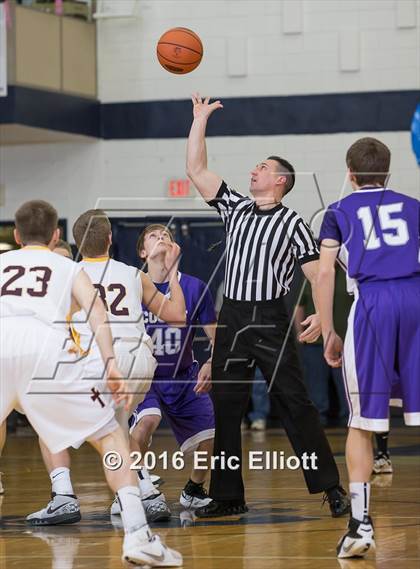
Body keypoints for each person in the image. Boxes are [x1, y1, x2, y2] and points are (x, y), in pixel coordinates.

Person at [186, 93, 350, 518]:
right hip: (234, 317)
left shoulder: (293, 221)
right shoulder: (235, 206)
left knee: (296, 402)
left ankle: (331, 487)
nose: (254, 170)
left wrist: (321, 312)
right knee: (226, 407)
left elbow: (317, 273)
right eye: (255, 166)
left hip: (270, 319)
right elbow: (196, 169)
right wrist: (199, 120)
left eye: (263, 167)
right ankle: (227, 496)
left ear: (280, 181)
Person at [0, 200, 182, 566]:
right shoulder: (67, 267)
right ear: (55, 236)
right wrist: (111, 363)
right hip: (44, 353)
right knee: (110, 434)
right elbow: (97, 313)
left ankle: (63, 494)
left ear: (17, 236)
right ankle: (137, 532)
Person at [317, 137, 420, 558]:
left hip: (374, 304)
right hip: (415, 299)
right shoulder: (414, 206)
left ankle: (360, 525)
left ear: (350, 173)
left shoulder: (338, 213)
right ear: (389, 173)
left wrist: (328, 330)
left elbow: (325, 275)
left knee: (361, 420)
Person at [111, 224, 217, 521]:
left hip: (183, 374)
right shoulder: (130, 285)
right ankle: (130, 489)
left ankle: (194, 490)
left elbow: (215, 336)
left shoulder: (195, 287)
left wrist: (211, 362)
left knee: (208, 440)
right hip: (146, 376)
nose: (162, 238)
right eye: (154, 236)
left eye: (167, 236)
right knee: (145, 424)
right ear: (143, 252)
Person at [295, 270, 351, 426]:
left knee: (346, 385)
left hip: (343, 341)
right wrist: (300, 331)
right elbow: (299, 305)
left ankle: (352, 419)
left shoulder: (348, 273)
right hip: (316, 342)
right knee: (316, 386)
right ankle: (317, 420)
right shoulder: (313, 275)